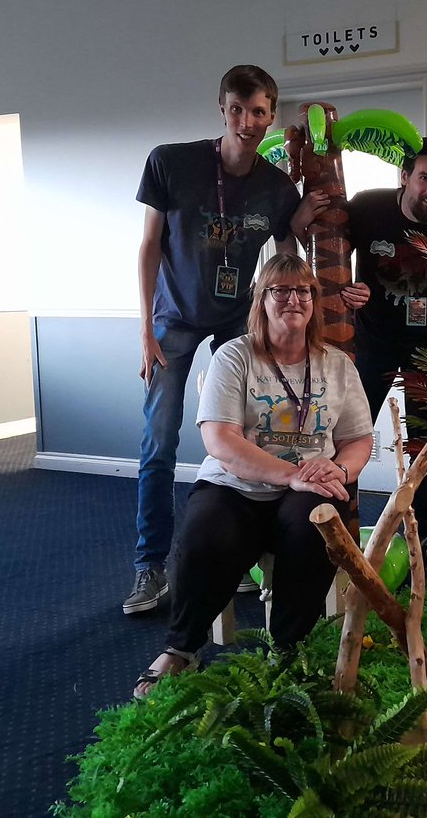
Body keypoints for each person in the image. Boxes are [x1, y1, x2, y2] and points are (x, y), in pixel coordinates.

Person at [126, 64, 322, 615]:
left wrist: (302, 221)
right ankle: (150, 567)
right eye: (237, 109)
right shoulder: (171, 162)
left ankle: (239, 553)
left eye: (259, 111)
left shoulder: (276, 186)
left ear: (271, 116)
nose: (247, 122)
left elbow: (289, 260)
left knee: (251, 434)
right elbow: (148, 247)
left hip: (240, 319)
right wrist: (144, 327)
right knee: (159, 442)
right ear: (222, 109)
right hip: (174, 319)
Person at [133, 254, 374, 697]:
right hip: (237, 484)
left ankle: (286, 648)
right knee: (205, 530)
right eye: (280, 290)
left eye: (303, 291)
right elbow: (220, 441)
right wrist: (290, 474)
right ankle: (182, 648)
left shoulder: (337, 364)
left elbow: (359, 438)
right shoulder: (235, 355)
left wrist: (339, 468)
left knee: (312, 527)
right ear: (261, 300)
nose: (293, 299)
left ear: (314, 302)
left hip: (312, 483)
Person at [293, 137, 427, 571]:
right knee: (346, 438)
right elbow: (323, 247)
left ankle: (426, 535)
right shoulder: (369, 208)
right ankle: (331, 526)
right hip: (369, 343)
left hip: (426, 348)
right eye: (425, 178)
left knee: (425, 446)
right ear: (405, 176)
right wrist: (302, 226)